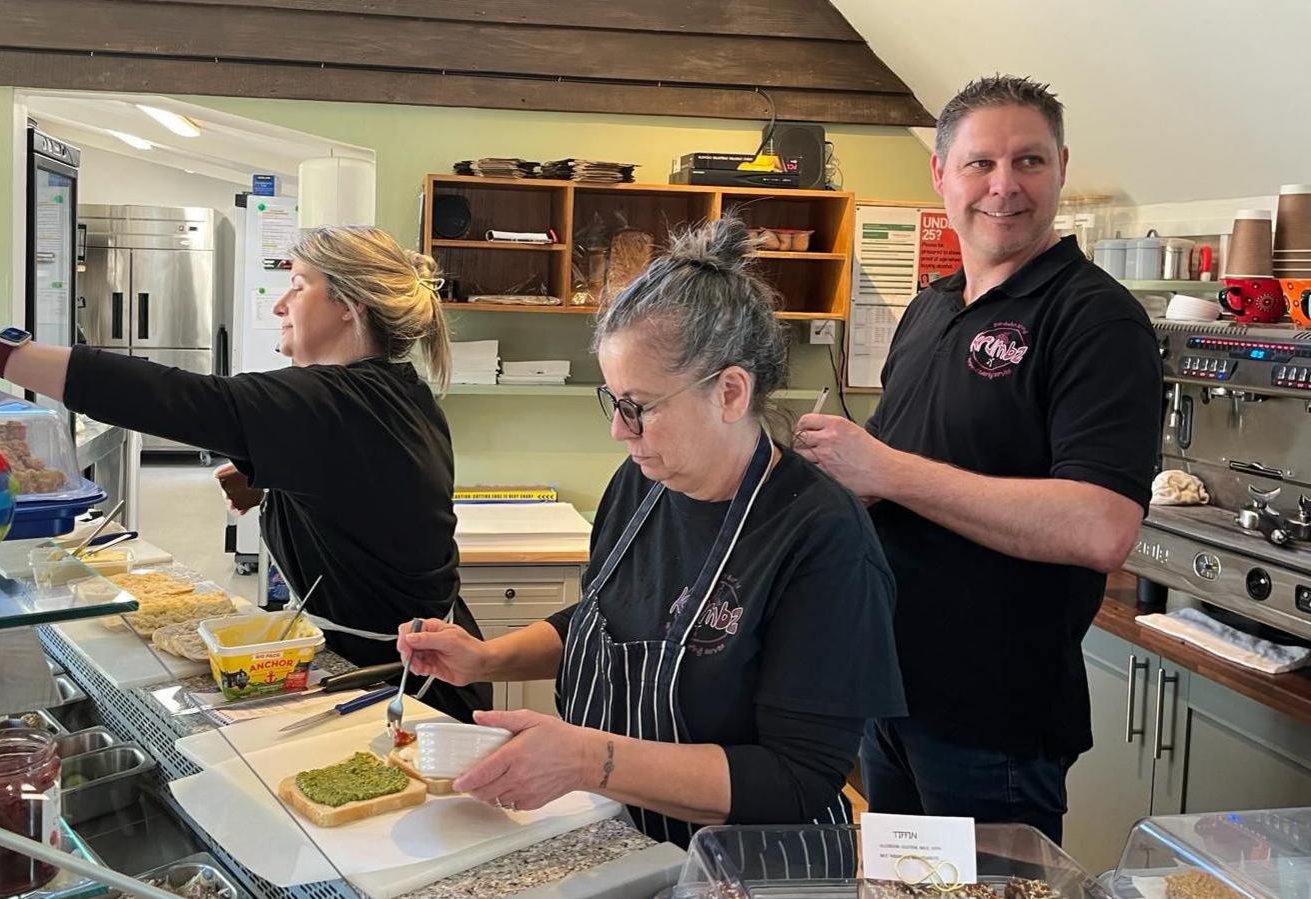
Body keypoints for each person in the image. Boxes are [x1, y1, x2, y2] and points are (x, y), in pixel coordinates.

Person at [0, 225, 492, 721]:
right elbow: (364, 483)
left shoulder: (336, 402)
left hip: (410, 687)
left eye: (298, 284)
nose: (280, 304)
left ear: (350, 306)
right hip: (396, 664)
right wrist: (272, 480)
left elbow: (174, 396)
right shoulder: (383, 394)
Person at [397, 217, 905, 852]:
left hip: (746, 868)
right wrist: (489, 657)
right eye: (614, 403)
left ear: (729, 391)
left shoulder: (823, 540)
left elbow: (797, 778)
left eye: (639, 406)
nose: (619, 431)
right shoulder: (640, 486)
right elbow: (607, 618)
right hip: (624, 840)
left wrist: (590, 760)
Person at [793, 75, 1162, 842]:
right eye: (979, 164)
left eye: (1028, 161)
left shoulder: (1096, 320)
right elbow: (907, 480)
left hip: (995, 727)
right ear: (940, 175)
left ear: (1061, 166)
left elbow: (1101, 527)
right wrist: (841, 484)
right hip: (891, 696)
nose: (1004, 186)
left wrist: (886, 470)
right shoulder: (931, 308)